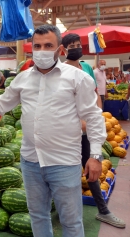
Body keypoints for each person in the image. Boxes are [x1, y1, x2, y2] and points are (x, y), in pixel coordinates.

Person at [0, 24, 106, 237]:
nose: (42, 50)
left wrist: (96, 155)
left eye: (48, 45)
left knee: (71, 222)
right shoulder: (23, 78)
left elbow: (93, 117)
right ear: (31, 48)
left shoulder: (78, 78)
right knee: (38, 215)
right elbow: (0, 104)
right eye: (37, 45)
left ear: (60, 50)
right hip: (31, 162)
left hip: (64, 162)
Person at [62, 33, 125, 228]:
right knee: (68, 171)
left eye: (78, 44)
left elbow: (95, 94)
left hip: (87, 129)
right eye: (71, 45)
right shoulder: (61, 71)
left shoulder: (87, 67)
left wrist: (97, 114)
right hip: (69, 132)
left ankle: (103, 211)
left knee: (92, 167)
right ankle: (65, 213)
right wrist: (80, 122)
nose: (76, 47)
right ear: (63, 50)